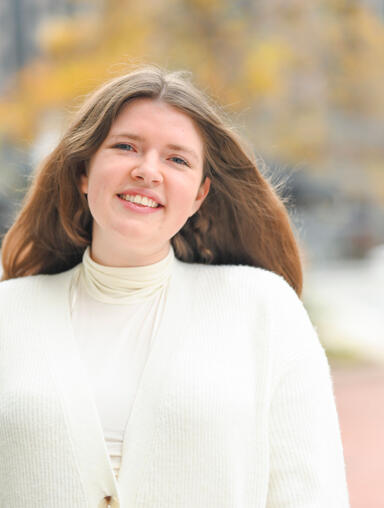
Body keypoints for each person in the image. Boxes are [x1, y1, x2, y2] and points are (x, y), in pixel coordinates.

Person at [0, 66, 350, 508]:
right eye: (126, 146)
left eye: (177, 159)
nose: (148, 171)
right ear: (83, 172)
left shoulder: (263, 308)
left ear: (200, 195)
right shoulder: (8, 315)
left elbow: (311, 493)